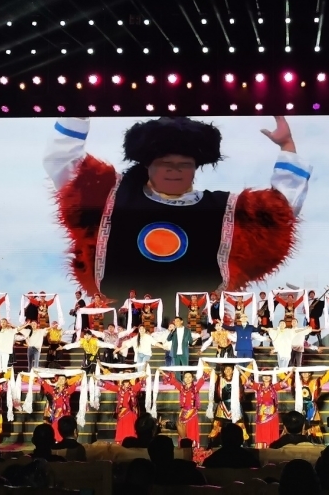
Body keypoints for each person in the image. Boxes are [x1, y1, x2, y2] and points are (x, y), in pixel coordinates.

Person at [44, 115, 312, 323]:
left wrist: (287, 146)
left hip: (197, 330)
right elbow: (64, 163)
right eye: (165, 163)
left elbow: (279, 211)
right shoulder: (112, 195)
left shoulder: (223, 210)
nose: (175, 170)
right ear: (147, 165)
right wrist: (77, 115)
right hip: (118, 327)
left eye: (184, 164)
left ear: (195, 168)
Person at [206, 363, 250, 446]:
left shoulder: (238, 379)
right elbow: (209, 371)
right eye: (226, 369)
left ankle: (244, 442)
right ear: (223, 370)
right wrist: (203, 363)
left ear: (233, 370)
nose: (228, 370)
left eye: (230, 369)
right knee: (216, 424)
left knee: (240, 425)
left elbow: (247, 372)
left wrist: (251, 363)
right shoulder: (219, 379)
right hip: (222, 405)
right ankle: (212, 442)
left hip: (235, 406)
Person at [246, 369, 291, 448]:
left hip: (272, 414)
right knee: (262, 431)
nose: (266, 377)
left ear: (271, 377)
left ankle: (272, 447)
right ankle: (261, 448)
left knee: (272, 430)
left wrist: (292, 371)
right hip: (261, 414)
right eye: (264, 375)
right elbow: (247, 380)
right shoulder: (258, 387)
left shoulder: (274, 387)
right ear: (262, 377)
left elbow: (284, 381)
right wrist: (240, 370)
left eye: (268, 376)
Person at [161, 370, 207, 447]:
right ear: (183, 379)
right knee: (182, 429)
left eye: (189, 377)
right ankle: (184, 446)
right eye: (186, 377)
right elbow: (174, 381)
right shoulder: (182, 388)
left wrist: (207, 371)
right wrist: (164, 373)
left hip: (192, 413)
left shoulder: (195, 388)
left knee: (191, 431)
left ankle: (192, 447)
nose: (188, 379)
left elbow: (202, 380)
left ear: (192, 378)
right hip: (183, 413)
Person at [287, 369, 329, 441]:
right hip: (300, 407)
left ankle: (316, 442)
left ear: (310, 373)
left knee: (314, 427)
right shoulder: (296, 382)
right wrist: (278, 371)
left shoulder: (315, 382)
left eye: (307, 372)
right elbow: (285, 378)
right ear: (301, 374)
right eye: (303, 372)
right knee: (300, 426)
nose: (305, 374)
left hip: (311, 408)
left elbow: (324, 379)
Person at [99, 371, 145, 444]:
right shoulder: (119, 389)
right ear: (123, 382)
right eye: (125, 382)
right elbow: (109, 386)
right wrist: (99, 381)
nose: (126, 384)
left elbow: (140, 384)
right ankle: (121, 441)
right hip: (122, 411)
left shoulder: (133, 388)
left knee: (131, 427)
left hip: (131, 411)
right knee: (122, 427)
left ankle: (132, 440)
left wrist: (144, 378)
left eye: (127, 382)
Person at [37, 374, 84, 442]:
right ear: (58, 380)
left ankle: (66, 441)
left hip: (65, 413)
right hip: (57, 413)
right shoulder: (54, 390)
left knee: (66, 427)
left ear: (65, 381)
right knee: (55, 426)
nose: (61, 380)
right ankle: (57, 441)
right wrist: (39, 377)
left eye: (63, 379)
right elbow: (46, 385)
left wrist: (80, 379)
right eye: (60, 379)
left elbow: (75, 385)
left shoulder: (67, 390)